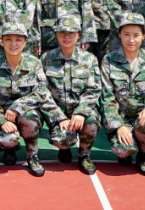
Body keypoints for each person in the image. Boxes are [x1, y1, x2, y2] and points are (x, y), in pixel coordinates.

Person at [0, 21, 60, 177]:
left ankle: (32, 156)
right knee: (7, 139)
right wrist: (0, 120)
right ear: (1, 41)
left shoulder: (34, 64)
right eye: (8, 39)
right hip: (3, 115)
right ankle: (9, 150)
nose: (13, 44)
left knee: (30, 121)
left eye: (18, 40)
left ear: (25, 42)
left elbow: (41, 91)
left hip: (26, 112)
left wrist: (17, 107)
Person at [100, 11, 145, 176]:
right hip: (120, 118)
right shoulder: (109, 60)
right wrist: (119, 125)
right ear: (119, 35)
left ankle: (143, 155)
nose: (131, 40)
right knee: (123, 151)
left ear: (143, 36)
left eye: (136, 35)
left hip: (142, 118)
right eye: (126, 34)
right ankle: (127, 148)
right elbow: (107, 97)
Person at [40, 15, 102, 175]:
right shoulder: (47, 58)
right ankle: (64, 148)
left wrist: (81, 112)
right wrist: (59, 117)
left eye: (71, 33)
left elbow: (94, 89)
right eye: (62, 33)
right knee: (62, 140)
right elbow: (42, 91)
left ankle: (84, 155)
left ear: (78, 35)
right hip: (58, 113)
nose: (66, 37)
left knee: (91, 121)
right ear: (56, 34)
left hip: (80, 111)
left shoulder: (89, 59)